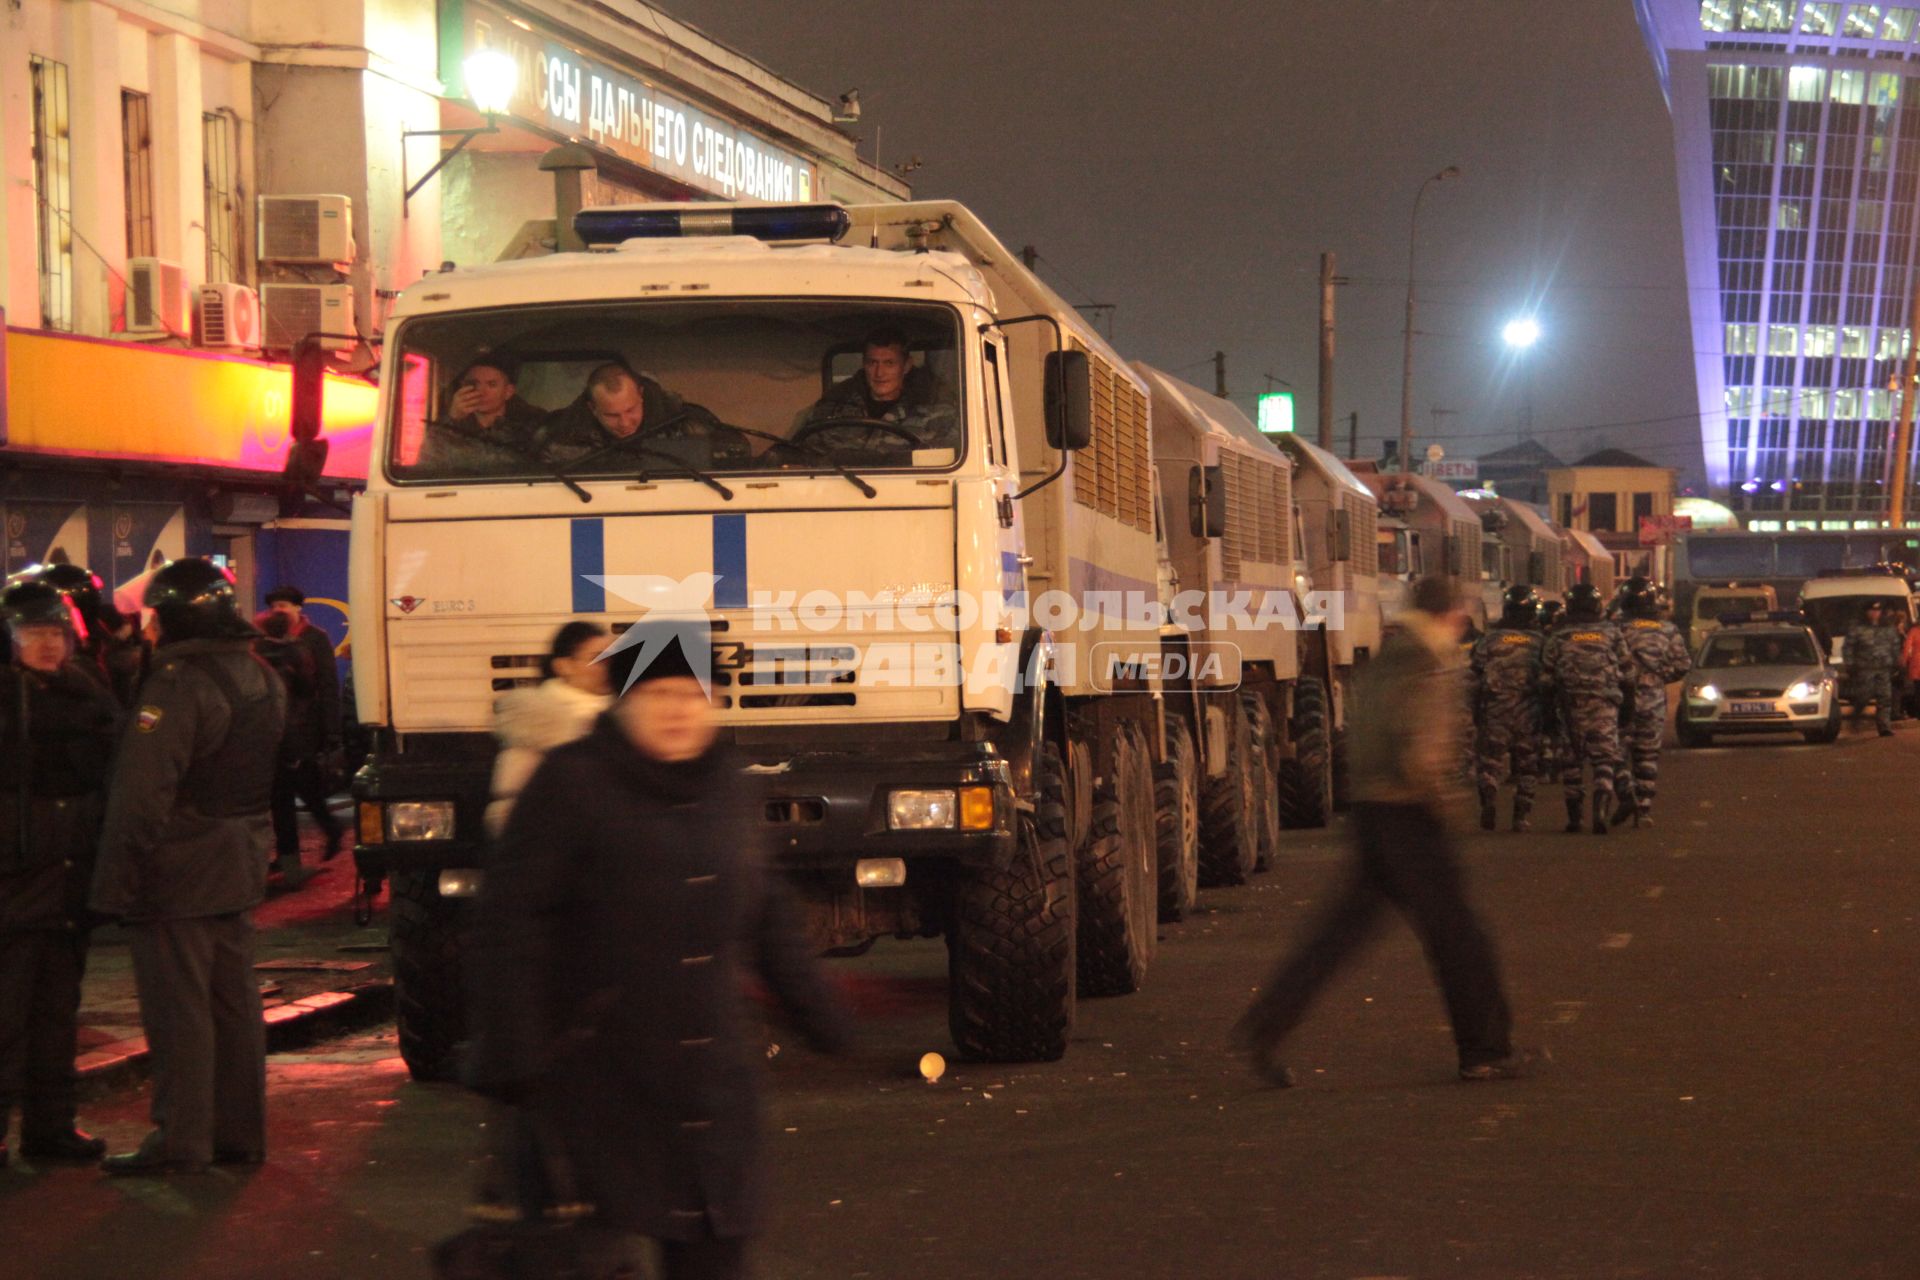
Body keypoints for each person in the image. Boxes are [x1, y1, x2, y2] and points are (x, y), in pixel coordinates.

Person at [466, 620, 851, 1279]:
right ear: (623, 702)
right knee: (588, 1258)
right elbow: (512, 921)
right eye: (658, 693)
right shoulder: (571, 782)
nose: (677, 709)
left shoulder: (729, 784)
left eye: (693, 693)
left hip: (711, 1081)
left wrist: (817, 1009)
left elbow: (764, 908)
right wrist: (513, 1055)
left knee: (713, 1250)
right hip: (598, 1079)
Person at [1230, 577, 1521, 1087]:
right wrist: (1446, 803)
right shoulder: (1427, 661)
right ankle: (1486, 1052)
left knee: (1337, 937)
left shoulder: (1387, 655)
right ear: (1448, 615)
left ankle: (1265, 1027)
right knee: (1459, 938)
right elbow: (1420, 745)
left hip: (1373, 810)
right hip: (1410, 814)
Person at [90, 559, 286, 1176]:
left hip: (178, 868)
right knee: (233, 1007)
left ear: (170, 618)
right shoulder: (259, 674)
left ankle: (181, 1140)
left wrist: (112, 883)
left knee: (180, 1014)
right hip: (240, 857)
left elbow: (143, 793)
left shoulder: (178, 683)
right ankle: (239, 1133)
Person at [0, 580, 121, 1167]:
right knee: (7, 1016)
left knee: (55, 1015)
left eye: (56, 633)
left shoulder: (88, 693)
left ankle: (51, 1127)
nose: (48, 645)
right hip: (16, 881)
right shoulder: (9, 700)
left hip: (70, 880)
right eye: (34, 633)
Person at [485, 621, 614, 836]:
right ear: (563, 666)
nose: (608, 666)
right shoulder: (537, 722)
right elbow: (508, 812)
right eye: (597, 658)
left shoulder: (626, 717)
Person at [254, 609, 341, 886]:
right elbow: (311, 690)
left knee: (282, 802)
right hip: (299, 735)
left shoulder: (261, 657)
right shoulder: (300, 652)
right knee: (305, 792)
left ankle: (290, 862)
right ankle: (320, 835)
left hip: (278, 738)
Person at [1542, 583, 1632, 836]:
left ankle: (1574, 819)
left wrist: (1548, 711)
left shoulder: (1558, 635)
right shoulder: (1611, 633)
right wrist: (1628, 705)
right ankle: (1601, 808)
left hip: (1570, 707)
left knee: (1571, 762)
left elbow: (1546, 678)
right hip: (1604, 705)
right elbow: (1628, 672)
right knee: (1604, 758)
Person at [540, 363, 740, 470]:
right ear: (592, 408)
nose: (625, 423)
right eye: (612, 415)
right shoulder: (560, 440)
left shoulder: (688, 424)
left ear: (641, 395)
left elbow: (737, 453)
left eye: (630, 410)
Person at [1610, 577, 1693, 829]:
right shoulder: (1667, 630)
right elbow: (1682, 665)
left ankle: (1626, 793)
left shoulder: (1614, 630)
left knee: (1614, 752)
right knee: (1647, 755)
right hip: (1653, 701)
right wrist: (1656, 677)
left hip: (1621, 701)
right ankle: (1644, 808)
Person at [803, 326, 958, 450]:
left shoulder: (937, 414)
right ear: (864, 365)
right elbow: (802, 458)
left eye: (889, 363)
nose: (879, 373)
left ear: (906, 366)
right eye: (872, 363)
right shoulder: (832, 409)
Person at [1470, 585, 1547, 833]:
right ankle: (1521, 817)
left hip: (1496, 711)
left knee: (1489, 761)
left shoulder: (1489, 640)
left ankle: (1489, 798)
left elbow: (1476, 671)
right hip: (1529, 712)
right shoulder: (1540, 642)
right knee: (1528, 766)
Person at [416, 355, 546, 473]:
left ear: (508, 392)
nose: (481, 392)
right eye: (472, 384)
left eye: (491, 384)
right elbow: (426, 468)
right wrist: (452, 420)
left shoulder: (532, 427)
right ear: (462, 387)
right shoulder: (448, 427)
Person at [1843, 600, 1902, 737]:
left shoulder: (1887, 627)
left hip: (1884, 668)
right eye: (1872, 610)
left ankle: (1884, 727)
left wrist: (1898, 660)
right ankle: (1856, 718)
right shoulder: (1858, 628)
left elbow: (1894, 644)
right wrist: (1850, 663)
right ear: (1866, 612)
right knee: (1864, 696)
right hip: (1865, 668)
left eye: (1877, 611)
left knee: (1885, 698)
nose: (1875, 613)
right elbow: (1848, 647)